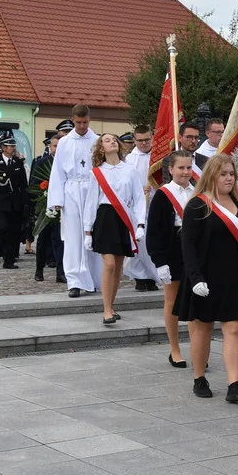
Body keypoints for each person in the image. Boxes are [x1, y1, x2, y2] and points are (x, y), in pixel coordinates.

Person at [174, 153, 238, 403]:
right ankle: (199, 377)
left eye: (232, 174)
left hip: (233, 275)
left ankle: (234, 384)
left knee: (233, 328)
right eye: (223, 174)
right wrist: (195, 278)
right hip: (204, 276)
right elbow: (188, 246)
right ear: (212, 175)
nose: (228, 178)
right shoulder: (197, 205)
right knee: (202, 328)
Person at [84, 133, 145, 325]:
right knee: (109, 264)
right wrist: (87, 230)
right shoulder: (97, 172)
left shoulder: (130, 170)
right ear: (101, 148)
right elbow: (91, 201)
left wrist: (140, 224)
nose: (112, 142)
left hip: (124, 219)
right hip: (105, 218)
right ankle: (106, 310)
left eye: (114, 139)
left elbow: (138, 198)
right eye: (107, 140)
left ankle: (111, 305)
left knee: (118, 265)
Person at [147, 150, 196, 368]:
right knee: (172, 300)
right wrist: (160, 261)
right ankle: (174, 348)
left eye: (188, 167)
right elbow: (155, 231)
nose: (185, 172)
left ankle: (198, 349)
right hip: (173, 249)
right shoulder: (163, 194)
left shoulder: (198, 192)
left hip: (194, 250)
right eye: (181, 168)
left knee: (197, 301)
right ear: (170, 169)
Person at [47, 105, 103, 298]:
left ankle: (93, 279)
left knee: (92, 234)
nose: (82, 126)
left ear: (89, 119)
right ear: (73, 120)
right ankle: (74, 281)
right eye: (78, 122)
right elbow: (58, 171)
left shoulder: (97, 141)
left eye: (85, 122)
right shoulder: (64, 142)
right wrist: (57, 198)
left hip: (91, 188)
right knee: (73, 238)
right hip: (72, 189)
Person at [123, 124, 160, 292]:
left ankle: (153, 277)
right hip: (136, 207)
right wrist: (138, 189)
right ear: (135, 140)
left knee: (153, 241)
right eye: (140, 141)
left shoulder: (159, 158)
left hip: (155, 204)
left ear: (152, 138)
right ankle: (140, 276)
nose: (144, 144)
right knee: (139, 242)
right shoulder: (129, 160)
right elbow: (125, 183)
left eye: (147, 140)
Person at [0, 137, 28, 269]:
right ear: (3, 148)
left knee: (14, 231)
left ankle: (9, 260)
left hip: (15, 202)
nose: (13, 148)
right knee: (2, 228)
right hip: (0, 202)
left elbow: (23, 184)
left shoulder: (18, 162)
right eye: (10, 146)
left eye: (14, 146)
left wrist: (26, 203)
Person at [32, 134, 65, 283]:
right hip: (45, 207)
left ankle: (61, 272)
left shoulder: (67, 163)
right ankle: (39, 270)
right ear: (50, 147)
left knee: (60, 240)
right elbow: (33, 184)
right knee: (43, 240)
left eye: (60, 146)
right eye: (55, 146)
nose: (57, 149)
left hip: (62, 208)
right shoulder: (41, 162)